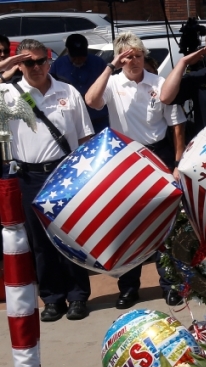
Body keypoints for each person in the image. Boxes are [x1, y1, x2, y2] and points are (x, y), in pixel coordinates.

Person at [85, 32, 186, 309]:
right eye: (127, 57)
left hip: (159, 154)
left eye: (138, 56)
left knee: (167, 224)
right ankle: (129, 288)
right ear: (120, 59)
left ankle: (171, 284)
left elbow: (177, 124)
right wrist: (110, 66)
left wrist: (177, 163)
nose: (134, 62)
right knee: (128, 225)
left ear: (144, 57)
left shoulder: (160, 83)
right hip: (126, 158)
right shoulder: (112, 83)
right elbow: (92, 101)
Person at [0, 39, 93, 321]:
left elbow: (86, 135)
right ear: (19, 64)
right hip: (29, 175)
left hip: (66, 173)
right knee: (39, 241)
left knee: (70, 237)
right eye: (29, 62)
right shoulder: (7, 93)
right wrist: (4, 67)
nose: (37, 67)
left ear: (49, 61)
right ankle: (52, 298)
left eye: (42, 61)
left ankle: (78, 296)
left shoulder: (67, 91)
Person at [49, 34, 109, 133]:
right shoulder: (57, 66)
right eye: (74, 57)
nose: (78, 60)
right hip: (73, 121)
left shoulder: (99, 63)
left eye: (82, 56)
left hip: (99, 120)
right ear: (67, 51)